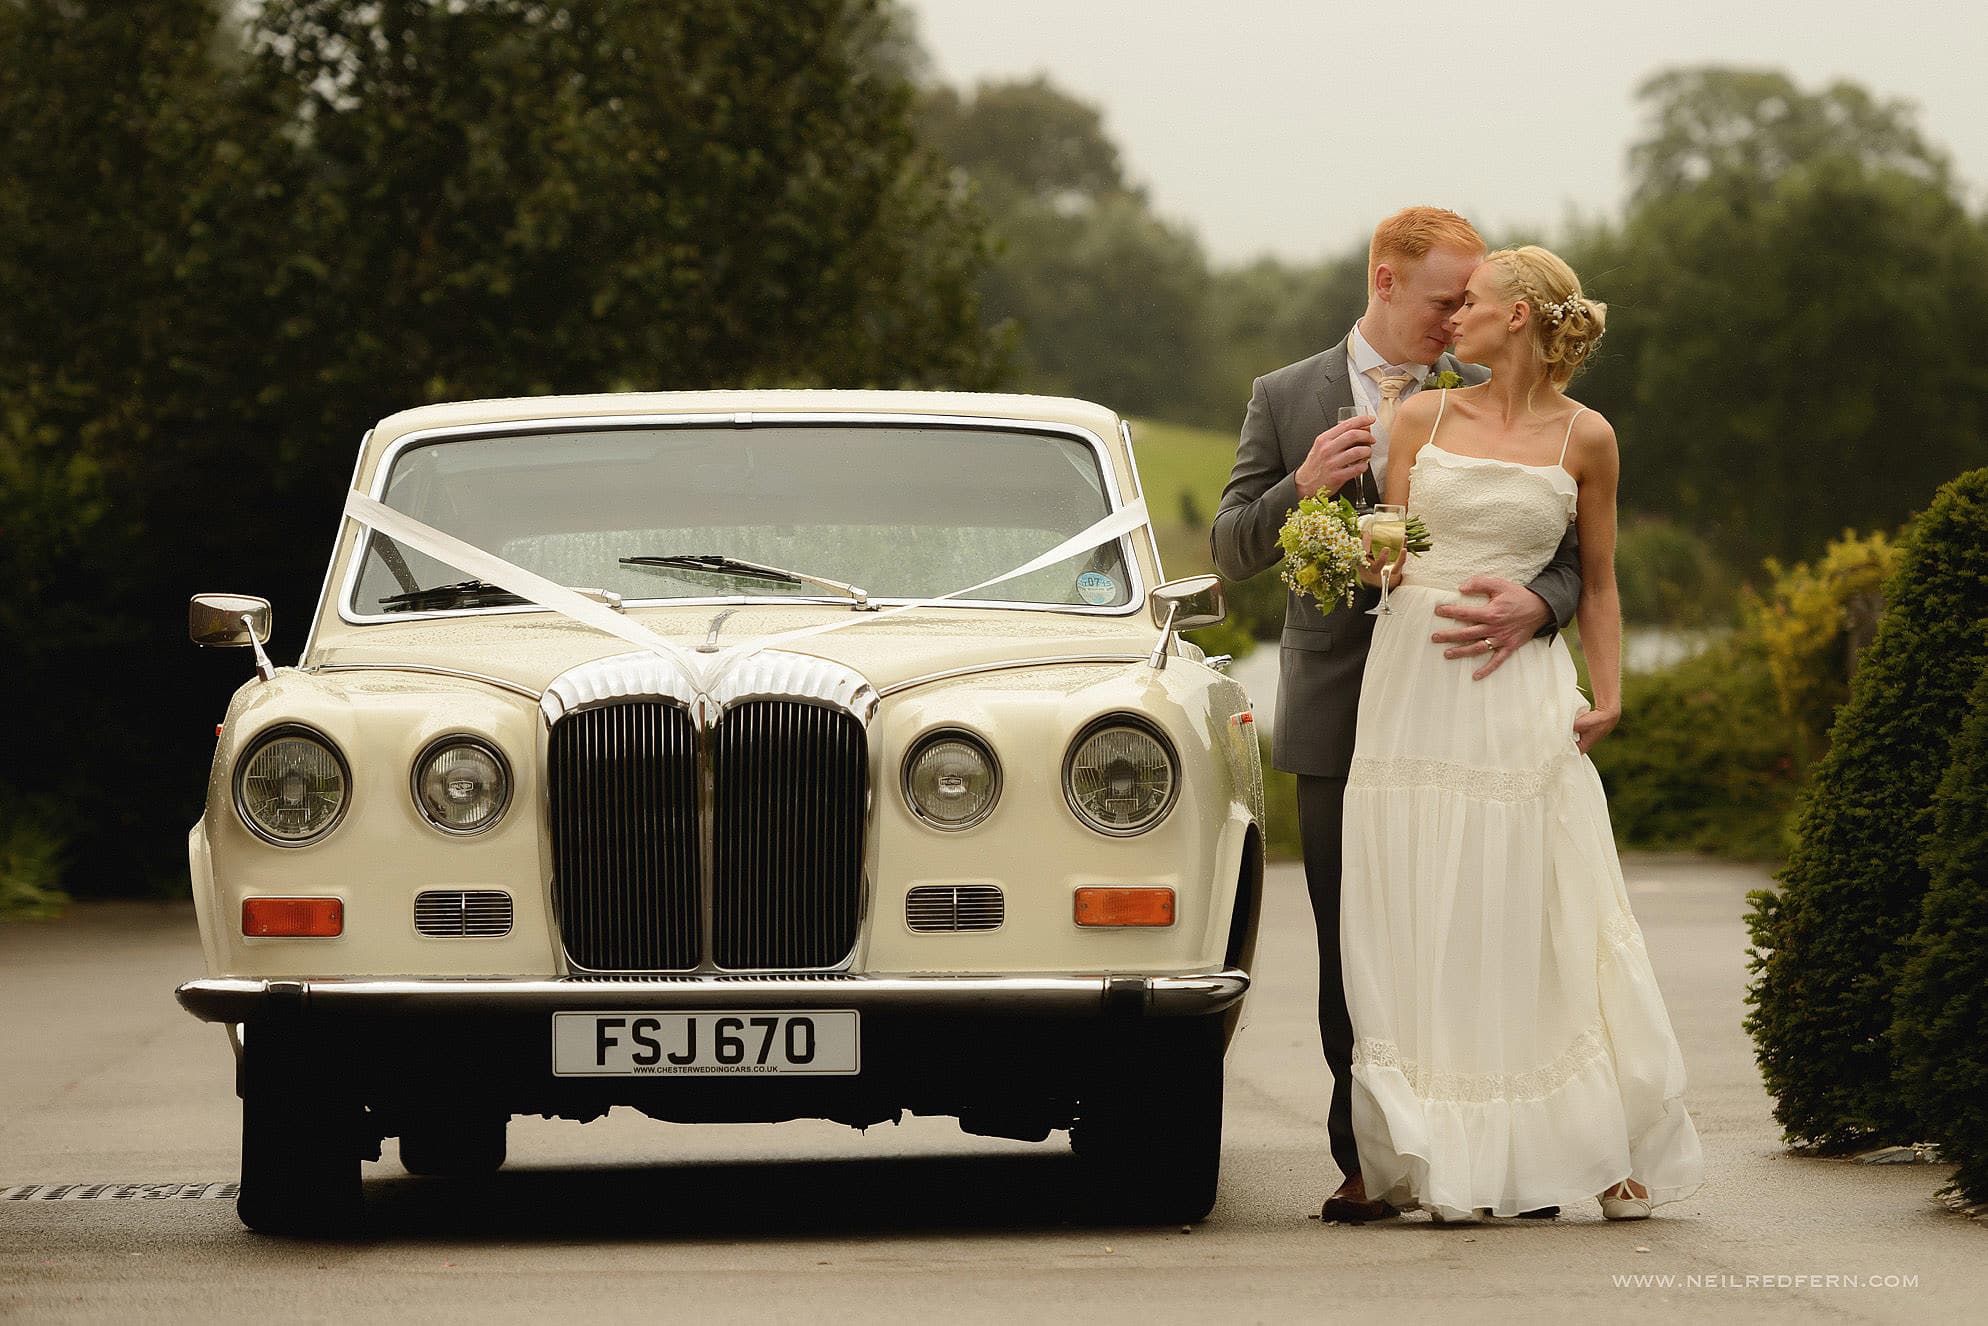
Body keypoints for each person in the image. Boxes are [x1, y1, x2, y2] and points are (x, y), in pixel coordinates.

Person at [1210, 207, 1584, 1224]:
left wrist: (1540, 604)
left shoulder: (1491, 394)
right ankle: (1366, 1156)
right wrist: (1305, 483)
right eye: (1440, 301)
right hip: (1340, 712)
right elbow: (1229, 548)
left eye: (1469, 303)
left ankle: (1485, 1147)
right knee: (1354, 939)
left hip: (1466, 700)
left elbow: (1561, 544)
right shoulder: (1283, 396)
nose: (1456, 318)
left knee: (1478, 928)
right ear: (1382, 280)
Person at [1340, 245, 1704, 1223]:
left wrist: (1609, 692)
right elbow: (1386, 557)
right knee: (1425, 901)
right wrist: (1340, 550)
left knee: (1536, 897)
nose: (1454, 315)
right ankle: (1442, 1143)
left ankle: (1590, 1136)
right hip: (1413, 679)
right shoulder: (1417, 416)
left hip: (1519, 689)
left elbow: (1596, 579)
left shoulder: (1586, 438)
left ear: (1515, 319)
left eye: (1472, 303)